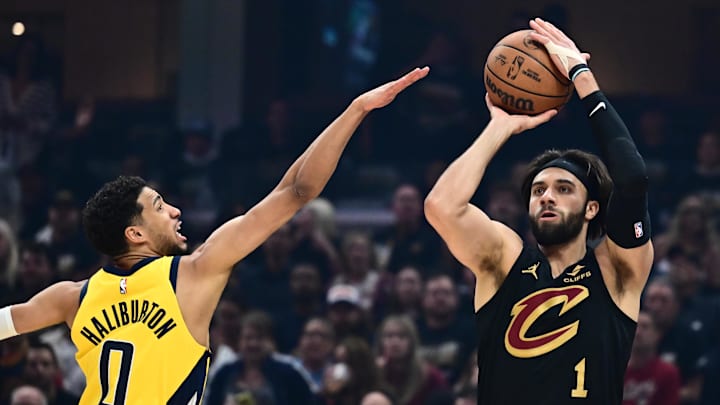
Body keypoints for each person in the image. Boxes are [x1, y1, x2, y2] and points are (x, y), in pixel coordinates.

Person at [0, 66, 429, 404]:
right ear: (134, 233)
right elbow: (298, 191)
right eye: (158, 207)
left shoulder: (70, 297)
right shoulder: (193, 274)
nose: (175, 210)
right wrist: (356, 110)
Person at [424, 18, 653, 404]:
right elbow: (441, 206)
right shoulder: (504, 259)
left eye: (564, 189)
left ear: (592, 208)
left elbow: (632, 178)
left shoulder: (616, 271)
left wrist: (580, 75)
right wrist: (500, 127)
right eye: (538, 190)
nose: (547, 197)